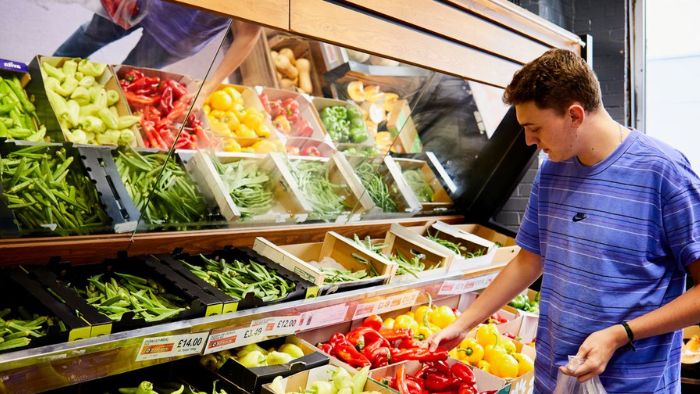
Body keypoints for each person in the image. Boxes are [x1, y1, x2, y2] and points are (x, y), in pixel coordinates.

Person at [427, 48, 700, 393]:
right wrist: (464, 323)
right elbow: (529, 260)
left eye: (534, 128)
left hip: (635, 384)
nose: (528, 140)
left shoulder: (665, 173)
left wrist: (620, 334)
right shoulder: (553, 171)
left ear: (574, 115)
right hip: (553, 378)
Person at [54, 0, 261, 85]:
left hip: (179, 33)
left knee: (124, 81)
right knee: (88, 38)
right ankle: (36, 75)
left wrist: (209, 86)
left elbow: (249, 33)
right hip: (141, 2)